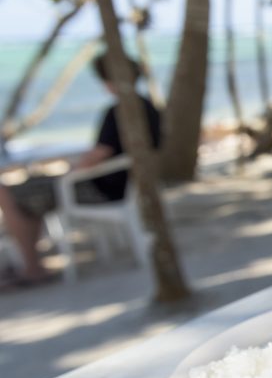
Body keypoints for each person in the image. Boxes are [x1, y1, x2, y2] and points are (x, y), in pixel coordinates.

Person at [0, 52, 160, 287]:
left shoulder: (119, 111)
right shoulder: (148, 107)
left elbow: (99, 154)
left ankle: (32, 268)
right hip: (123, 184)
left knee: (8, 192)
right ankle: (30, 263)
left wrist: (71, 171)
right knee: (29, 193)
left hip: (102, 189)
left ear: (110, 80)